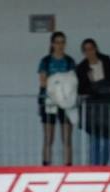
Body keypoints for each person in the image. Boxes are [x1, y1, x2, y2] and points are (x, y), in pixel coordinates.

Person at [75, 38, 110, 165]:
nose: (89, 52)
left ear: (96, 48)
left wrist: (105, 87)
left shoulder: (106, 61)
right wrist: (94, 87)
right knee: (95, 139)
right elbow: (80, 89)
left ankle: (101, 165)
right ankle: (94, 168)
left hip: (109, 104)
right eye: (86, 50)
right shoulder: (81, 68)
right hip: (93, 107)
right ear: (83, 52)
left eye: (91, 48)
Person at [37, 31, 77, 166]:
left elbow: (73, 81)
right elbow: (43, 81)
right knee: (48, 137)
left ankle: (68, 166)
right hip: (49, 101)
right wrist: (58, 83)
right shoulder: (46, 61)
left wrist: (58, 82)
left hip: (66, 101)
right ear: (52, 44)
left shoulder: (69, 61)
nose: (60, 45)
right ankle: (46, 165)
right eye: (57, 42)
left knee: (67, 137)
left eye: (62, 42)